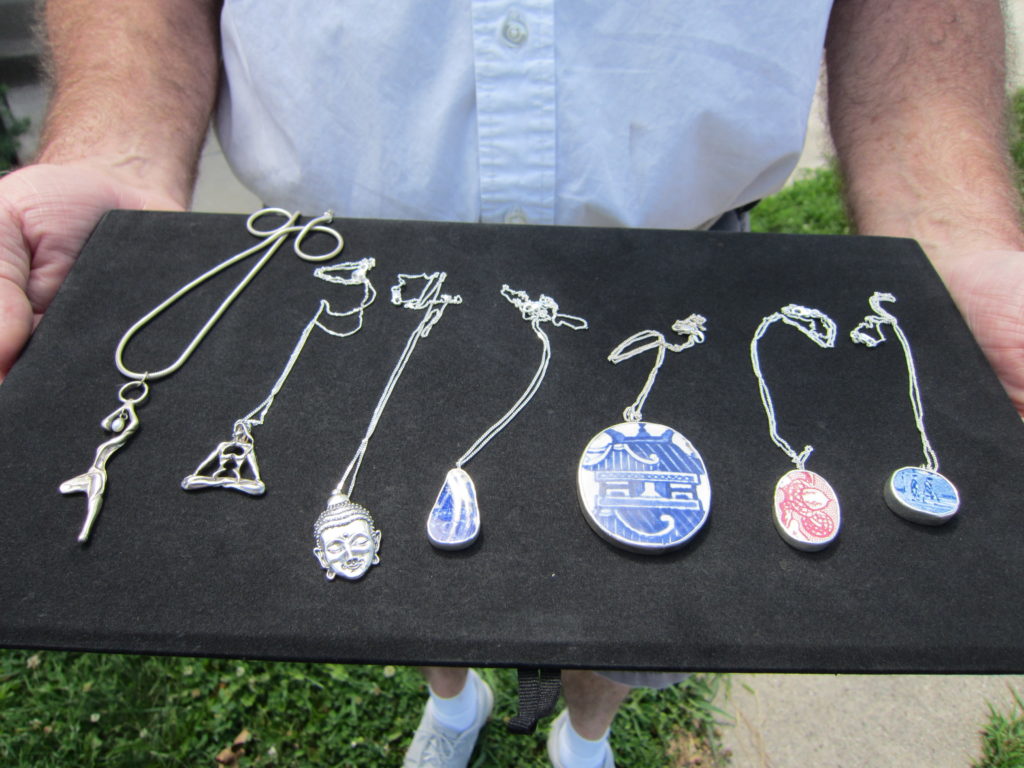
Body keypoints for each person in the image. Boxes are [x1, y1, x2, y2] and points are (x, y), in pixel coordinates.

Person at [1, 2, 1022, 767]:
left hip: (683, 260)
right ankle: (451, 698)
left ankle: (585, 732)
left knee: (650, 596)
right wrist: (112, 152)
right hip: (377, 272)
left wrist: (954, 225)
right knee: (385, 538)